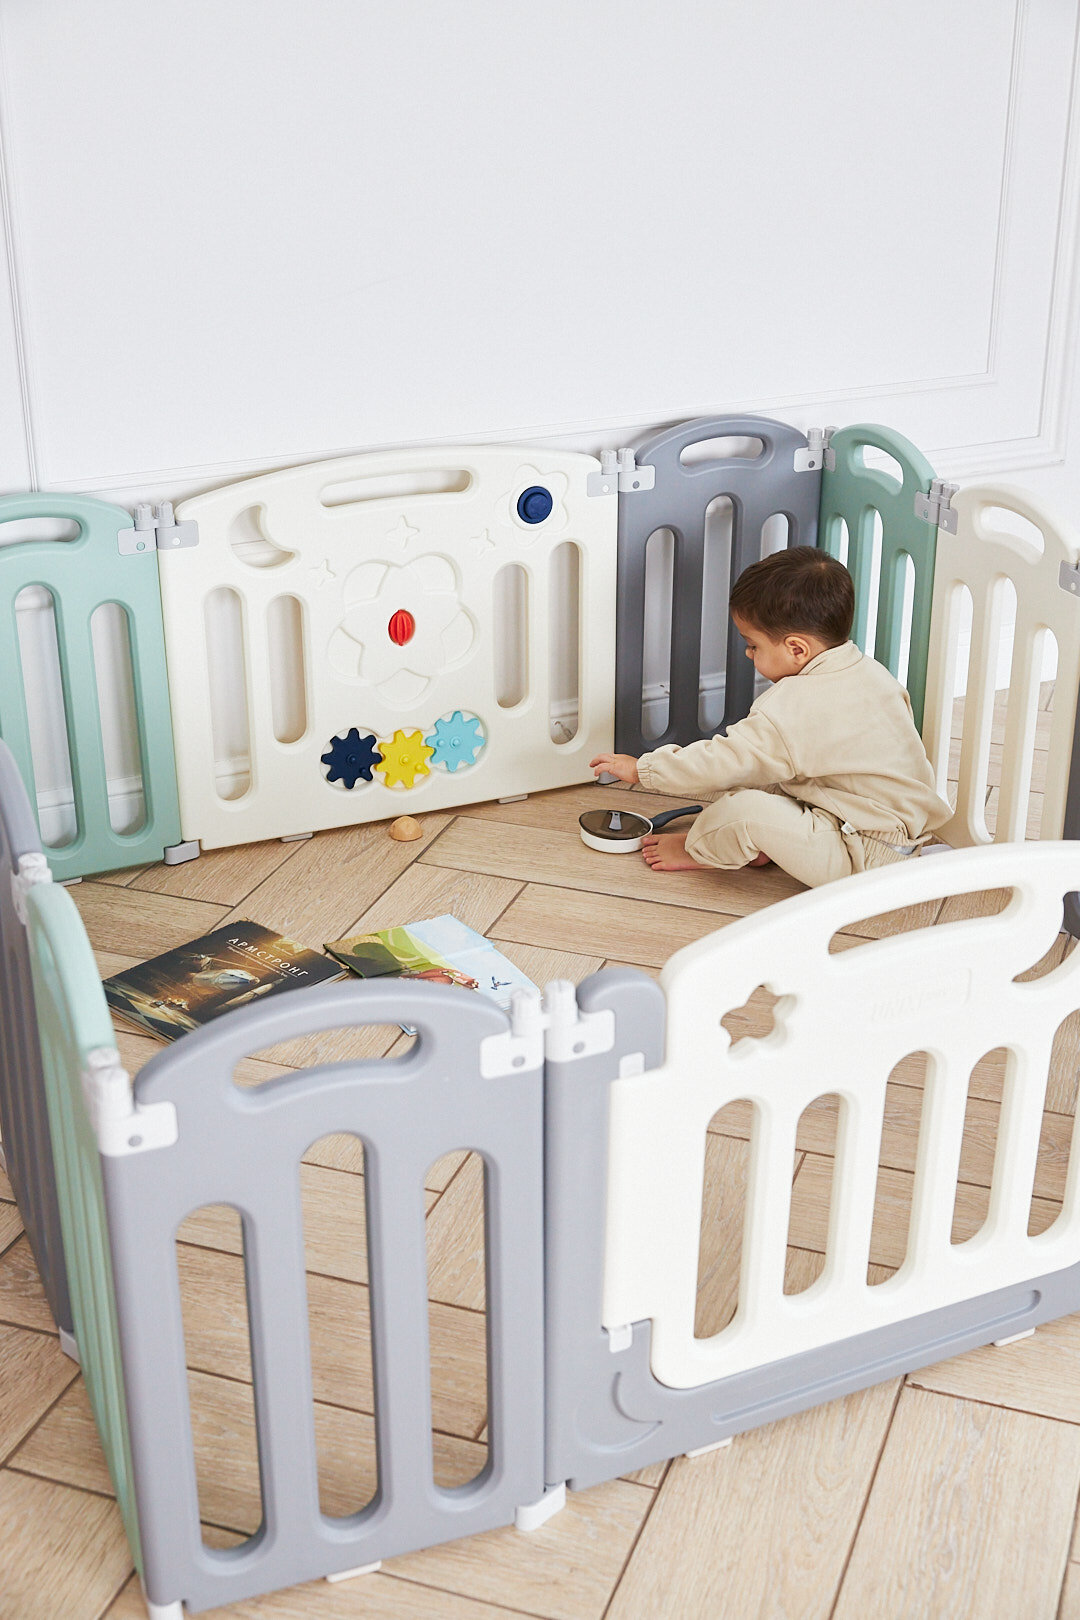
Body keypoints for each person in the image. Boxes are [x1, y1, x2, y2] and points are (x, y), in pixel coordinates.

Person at [590, 546, 951, 887]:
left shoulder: (794, 707)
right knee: (758, 778)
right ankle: (765, 845)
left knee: (743, 809)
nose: (748, 654)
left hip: (863, 856)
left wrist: (644, 770)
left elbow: (721, 761)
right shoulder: (872, 674)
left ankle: (700, 849)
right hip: (882, 827)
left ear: (797, 649)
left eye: (753, 645)